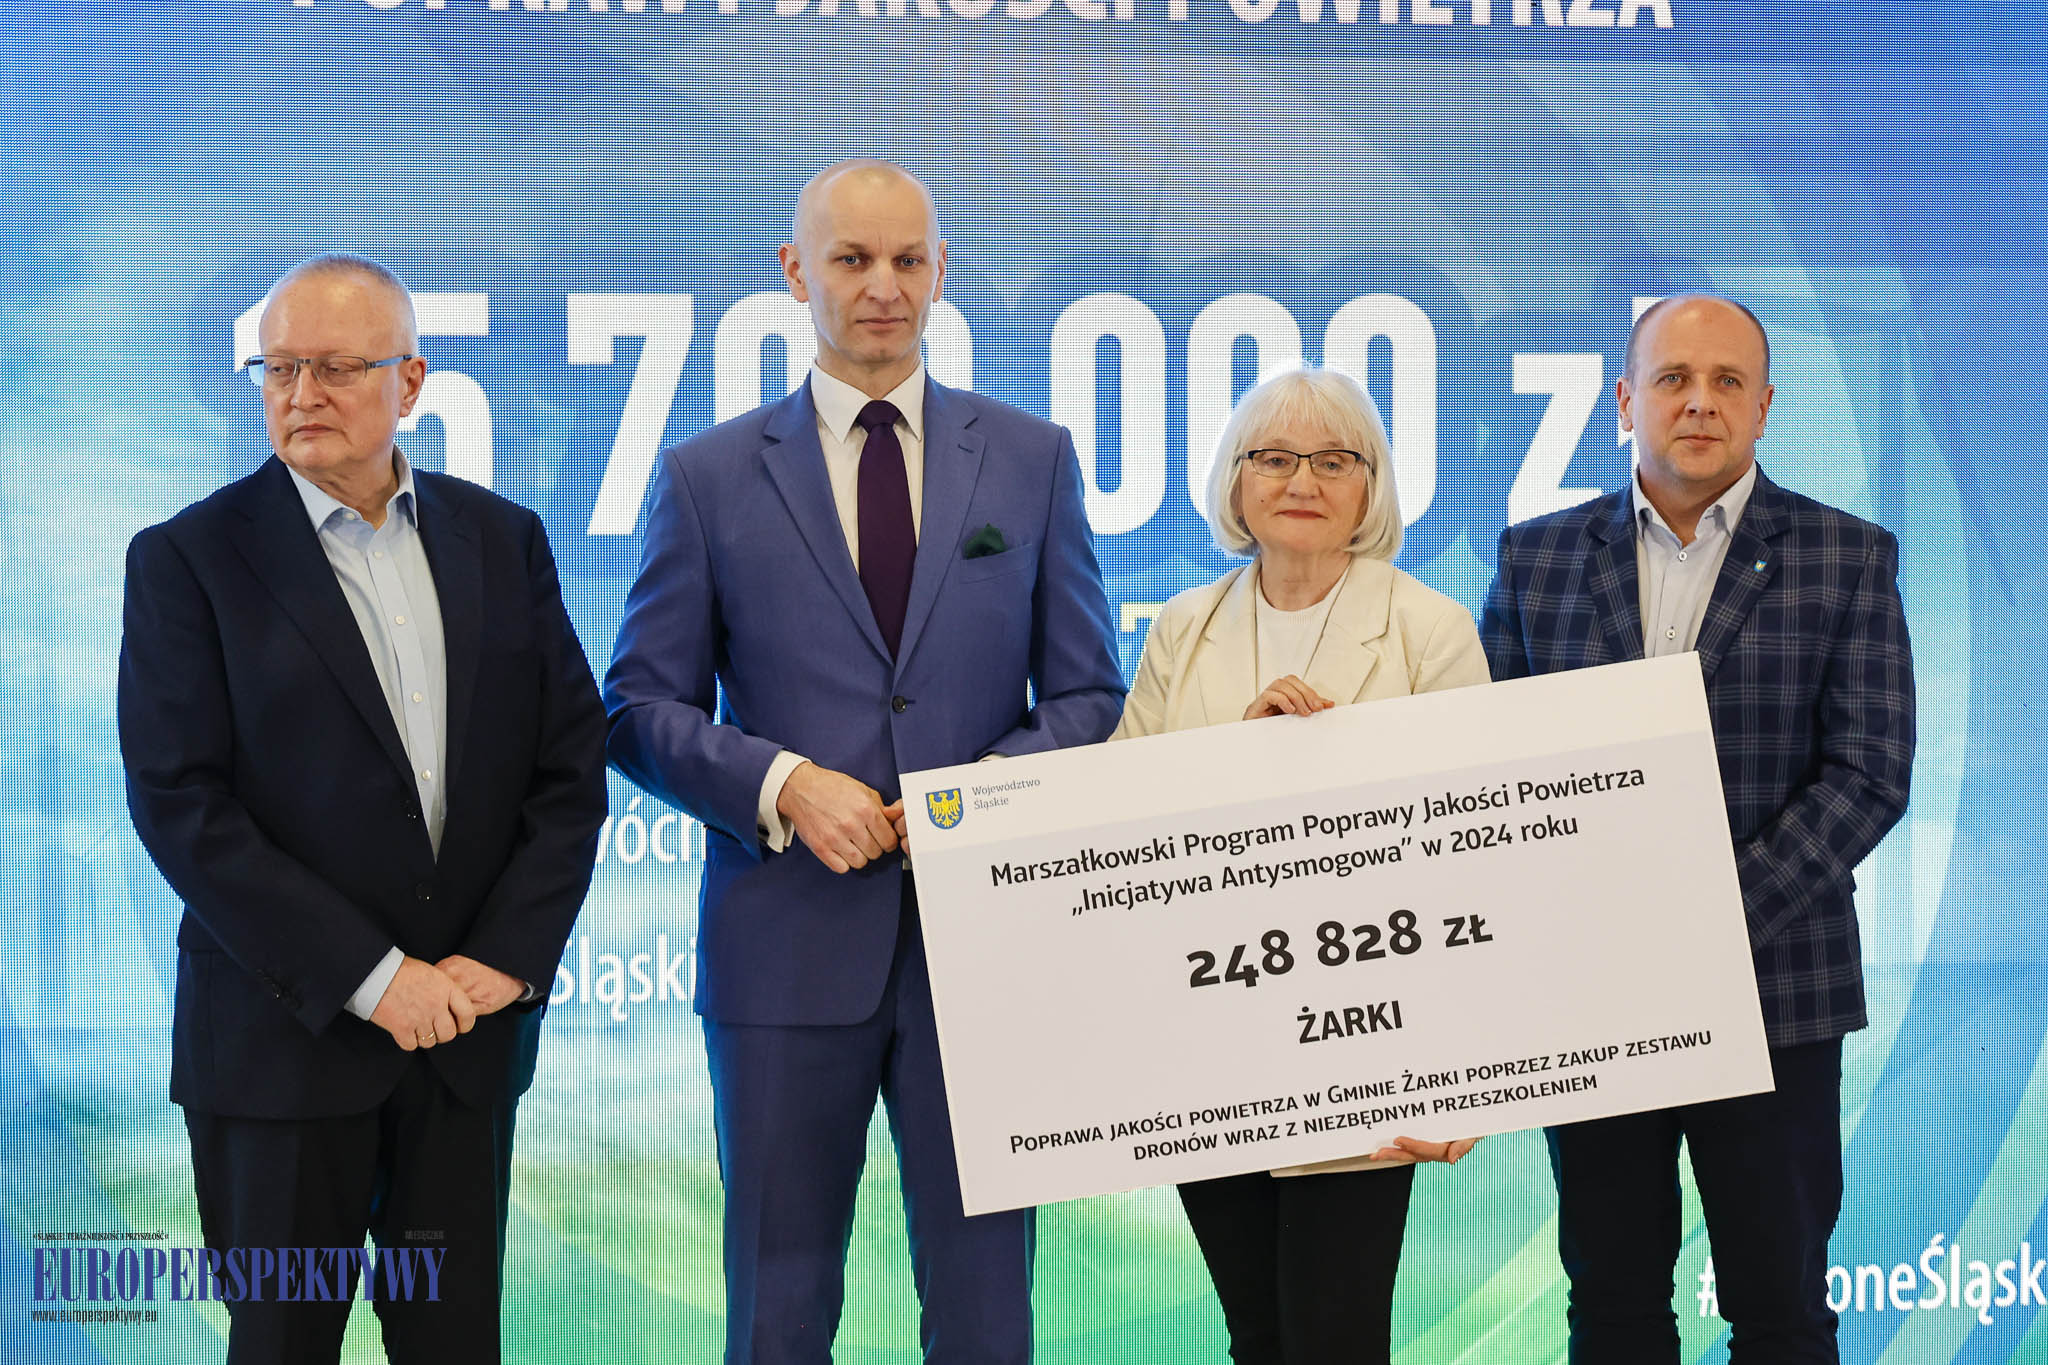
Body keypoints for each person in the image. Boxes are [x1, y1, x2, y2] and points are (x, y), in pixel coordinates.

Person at [603, 160, 1123, 1364]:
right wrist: (781, 786)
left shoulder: (1033, 459)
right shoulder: (706, 476)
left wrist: (970, 803)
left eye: (905, 259)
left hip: (987, 950)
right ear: (796, 273)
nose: (882, 286)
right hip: (782, 953)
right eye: (851, 259)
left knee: (988, 1318)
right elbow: (636, 709)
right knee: (776, 1316)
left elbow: (1089, 695)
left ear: (942, 272)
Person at [119, 254, 609, 1363]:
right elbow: (181, 804)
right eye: (279, 368)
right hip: (280, 1053)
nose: (302, 394)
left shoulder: (504, 541)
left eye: (336, 368)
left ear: (411, 381)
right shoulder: (188, 560)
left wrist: (508, 959)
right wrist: (376, 979)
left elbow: (569, 767)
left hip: (463, 1047)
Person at [1479, 294, 1915, 1363]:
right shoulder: (1536, 559)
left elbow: (1868, 772)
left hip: (1776, 995)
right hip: (1594, 998)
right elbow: (1484, 771)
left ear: (1764, 406)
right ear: (1626, 401)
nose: (1699, 401)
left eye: (1726, 381)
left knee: (1779, 1311)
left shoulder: (1846, 555)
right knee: (1613, 1306)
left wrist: (1712, 914)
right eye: (1672, 378)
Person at [1113, 366, 1486, 1364]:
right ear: (1235, 482)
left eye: (1332, 460)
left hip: (1368, 1038)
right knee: (1257, 1339)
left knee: (1336, 1339)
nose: (1301, 481)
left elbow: (1472, 856)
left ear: (1371, 485)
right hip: (1210, 1040)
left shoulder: (1431, 630)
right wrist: (1242, 760)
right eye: (1273, 458)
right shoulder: (1182, 627)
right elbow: (1119, 822)